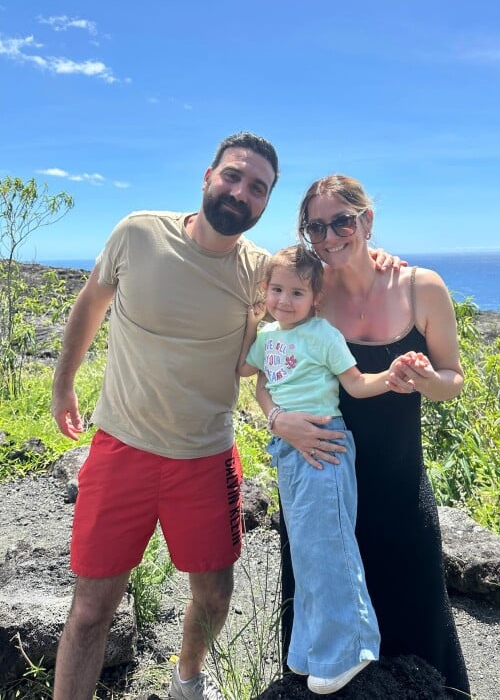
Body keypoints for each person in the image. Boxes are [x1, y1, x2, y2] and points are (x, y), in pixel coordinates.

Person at [50, 132, 281, 700]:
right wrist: (63, 383)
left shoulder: (260, 272)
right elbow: (89, 305)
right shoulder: (137, 232)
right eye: (232, 176)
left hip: (205, 456)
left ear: (265, 203)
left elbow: (320, 293)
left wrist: (372, 254)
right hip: (121, 448)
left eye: (257, 188)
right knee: (89, 611)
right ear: (207, 176)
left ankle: (187, 680)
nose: (240, 192)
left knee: (215, 594)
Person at [257, 175, 472, 698]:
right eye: (316, 227)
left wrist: (425, 381)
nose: (329, 236)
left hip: (398, 488)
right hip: (321, 480)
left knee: (415, 622)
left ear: (366, 221)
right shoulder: (310, 294)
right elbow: (269, 370)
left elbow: (453, 380)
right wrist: (275, 419)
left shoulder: (421, 287)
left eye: (342, 221)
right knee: (321, 616)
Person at [236, 244, 401, 694]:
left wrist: (392, 375)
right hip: (287, 449)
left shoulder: (324, 334)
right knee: (306, 553)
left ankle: (351, 649)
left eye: (296, 293)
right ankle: (311, 652)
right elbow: (247, 373)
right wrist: (253, 316)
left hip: (326, 446)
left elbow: (357, 384)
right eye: (276, 290)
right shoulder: (268, 336)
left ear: (315, 299)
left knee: (330, 547)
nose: (284, 300)